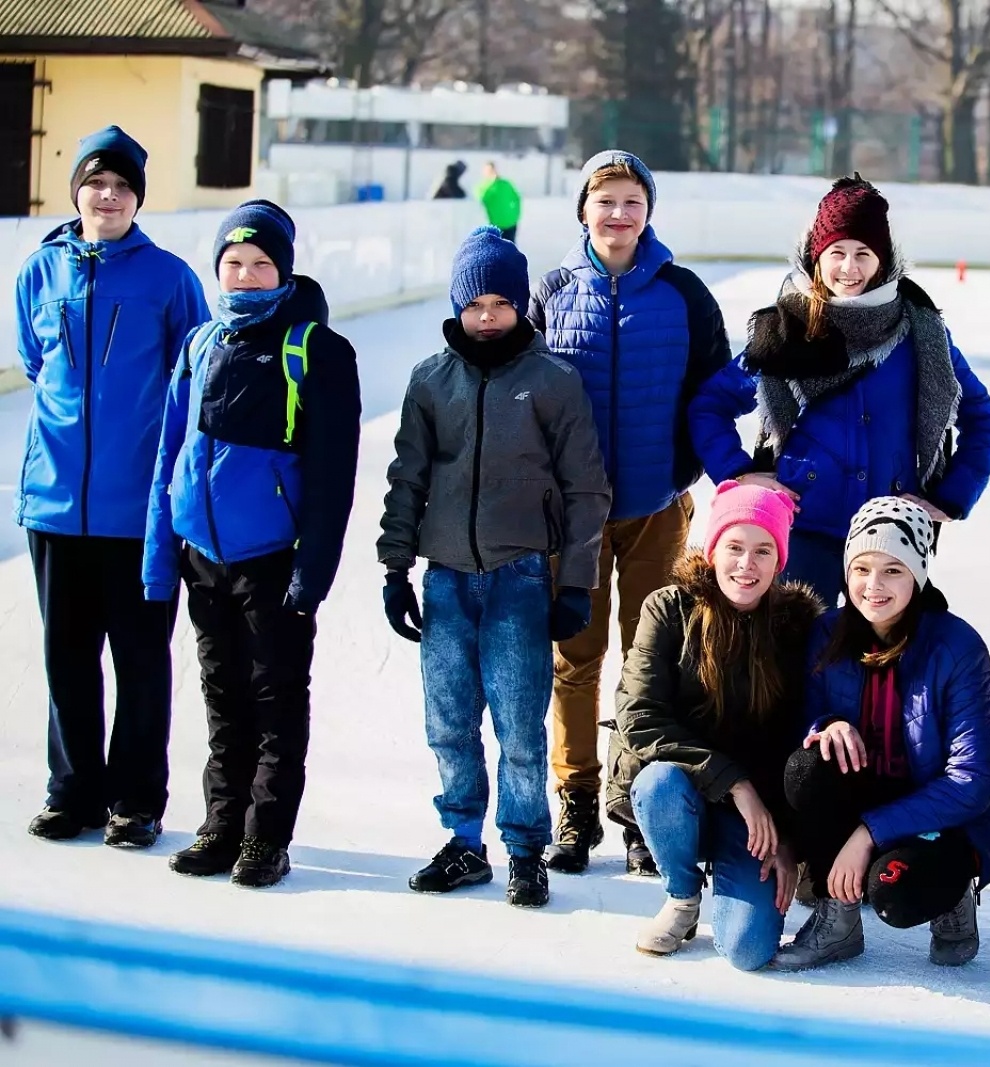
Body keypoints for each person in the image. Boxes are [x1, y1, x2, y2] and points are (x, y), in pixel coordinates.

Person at [378, 226, 612, 910]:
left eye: (500, 304)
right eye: (473, 304)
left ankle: (523, 849)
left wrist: (575, 583)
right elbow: (406, 480)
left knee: (518, 724)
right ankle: (461, 841)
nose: (486, 317)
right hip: (446, 578)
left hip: (519, 579)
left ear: (518, 305)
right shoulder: (430, 379)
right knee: (449, 722)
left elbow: (585, 490)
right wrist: (396, 569)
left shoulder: (552, 380)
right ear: (456, 306)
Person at [143, 200, 361, 887]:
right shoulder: (203, 341)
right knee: (221, 696)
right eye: (233, 263)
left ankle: (266, 835)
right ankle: (221, 821)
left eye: (260, 263)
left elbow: (333, 474)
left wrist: (312, 573)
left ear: (284, 271)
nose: (245, 276)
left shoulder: (315, 350)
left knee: (274, 700)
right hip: (202, 554)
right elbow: (169, 453)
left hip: (272, 561)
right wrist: (159, 557)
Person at [529, 150, 732, 876]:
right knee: (574, 660)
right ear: (583, 209)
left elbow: (719, 388)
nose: (618, 214)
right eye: (605, 200)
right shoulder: (552, 290)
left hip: (656, 506)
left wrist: (713, 465)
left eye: (631, 202)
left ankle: (641, 803)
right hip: (571, 516)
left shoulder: (683, 292)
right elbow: (525, 392)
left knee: (654, 665)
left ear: (649, 212)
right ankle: (577, 798)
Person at [17, 126, 208, 848]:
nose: (108, 196)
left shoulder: (168, 278)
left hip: (139, 508)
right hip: (55, 501)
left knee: (138, 657)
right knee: (65, 654)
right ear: (78, 191)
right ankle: (73, 792)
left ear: (138, 200)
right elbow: (37, 362)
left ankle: (135, 798)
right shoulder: (42, 270)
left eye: (122, 187)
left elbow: (192, 378)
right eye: (97, 183)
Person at [690, 174, 990, 606]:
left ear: (884, 260)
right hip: (802, 531)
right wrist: (740, 474)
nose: (849, 269)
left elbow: (983, 421)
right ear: (817, 258)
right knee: (796, 660)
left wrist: (949, 498)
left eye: (863, 254)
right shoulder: (784, 332)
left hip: (890, 538)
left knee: (878, 666)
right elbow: (710, 406)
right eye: (837, 253)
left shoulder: (921, 333)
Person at [773, 497, 990, 971]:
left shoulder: (958, 647)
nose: (873, 586)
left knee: (897, 894)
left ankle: (953, 896)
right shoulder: (826, 634)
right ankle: (836, 919)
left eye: (892, 570)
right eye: (861, 568)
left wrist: (868, 833)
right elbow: (799, 722)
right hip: (869, 790)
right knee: (807, 768)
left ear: (919, 575)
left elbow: (972, 781)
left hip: (944, 814)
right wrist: (827, 726)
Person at [607, 480, 822, 969]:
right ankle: (682, 897)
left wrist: (790, 839)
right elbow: (639, 717)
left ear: (780, 559)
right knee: (658, 780)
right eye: (735, 547)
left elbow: (803, 741)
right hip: (682, 795)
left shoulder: (796, 628)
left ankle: (734, 887)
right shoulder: (668, 609)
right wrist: (735, 782)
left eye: (762, 550)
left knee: (748, 950)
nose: (747, 565)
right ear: (712, 549)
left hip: (754, 819)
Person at [476, 162, 521, 243]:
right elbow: (482, 200)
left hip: (510, 223)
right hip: (493, 225)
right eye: (489, 170)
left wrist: (515, 216)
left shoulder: (505, 184)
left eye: (493, 169)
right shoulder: (481, 186)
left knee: (510, 250)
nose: (492, 172)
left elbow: (516, 199)